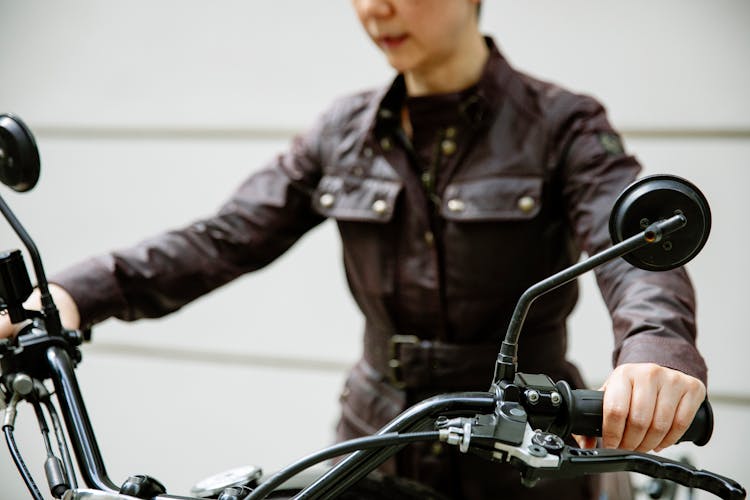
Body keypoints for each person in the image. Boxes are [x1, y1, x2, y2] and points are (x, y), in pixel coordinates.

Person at [1, 1, 707, 498]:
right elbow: (223, 238)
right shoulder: (341, 130)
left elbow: (631, 247)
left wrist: (654, 352)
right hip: (374, 443)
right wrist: (70, 293)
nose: (377, 8)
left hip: (523, 448)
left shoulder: (563, 124)